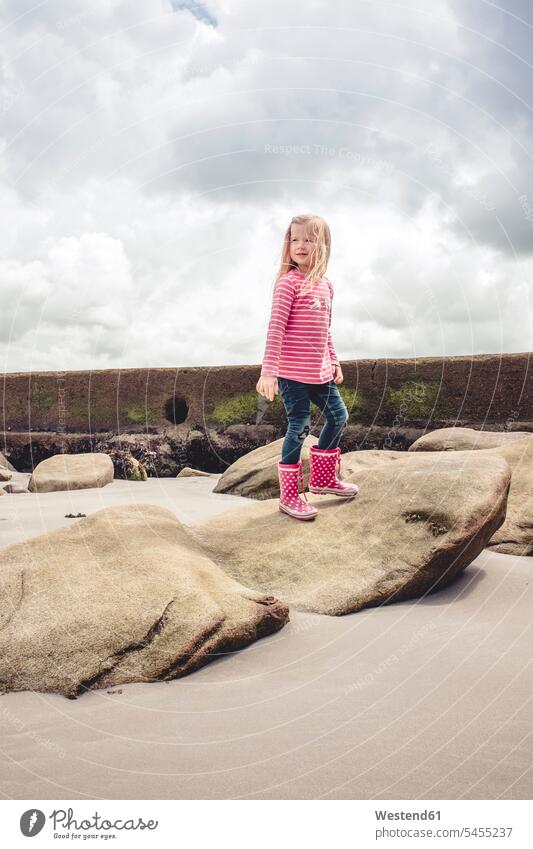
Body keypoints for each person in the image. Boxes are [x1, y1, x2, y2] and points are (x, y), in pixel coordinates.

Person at [256, 214, 358, 521]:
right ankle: (289, 495)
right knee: (299, 426)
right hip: (291, 373)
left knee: (339, 417)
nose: (300, 245)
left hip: (320, 373)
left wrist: (335, 360)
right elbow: (276, 328)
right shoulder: (288, 284)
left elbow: (325, 330)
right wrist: (269, 371)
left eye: (309, 240)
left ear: (324, 245)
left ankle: (323, 479)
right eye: (294, 239)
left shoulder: (327, 286)